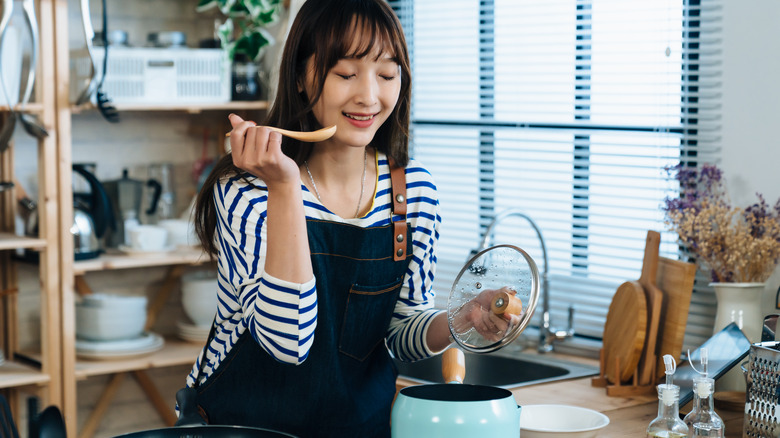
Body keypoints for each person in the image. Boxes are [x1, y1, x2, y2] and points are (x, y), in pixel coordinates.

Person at [186, 1, 516, 436]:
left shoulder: (412, 193)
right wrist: (284, 187)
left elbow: (401, 332)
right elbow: (287, 343)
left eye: (386, 74)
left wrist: (461, 320)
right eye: (345, 74)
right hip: (240, 429)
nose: (368, 96)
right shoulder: (247, 193)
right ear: (303, 77)